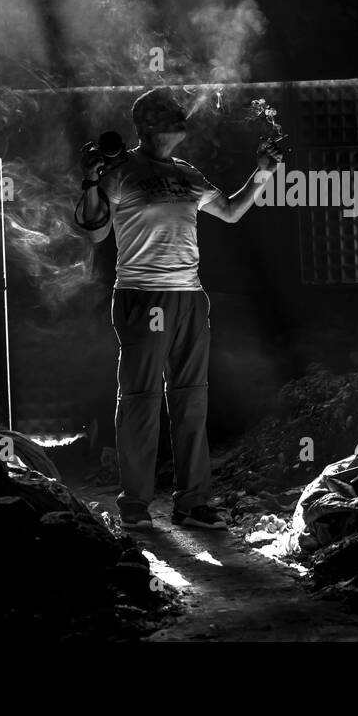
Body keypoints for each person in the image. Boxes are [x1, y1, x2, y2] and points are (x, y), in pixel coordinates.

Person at [78, 86, 283, 530]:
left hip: (189, 296)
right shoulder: (121, 171)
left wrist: (262, 173)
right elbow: (94, 233)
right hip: (141, 295)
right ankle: (134, 505)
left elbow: (229, 212)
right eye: (170, 111)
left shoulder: (187, 173)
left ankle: (193, 503)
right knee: (140, 401)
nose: (180, 115)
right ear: (148, 123)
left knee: (191, 401)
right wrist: (90, 181)